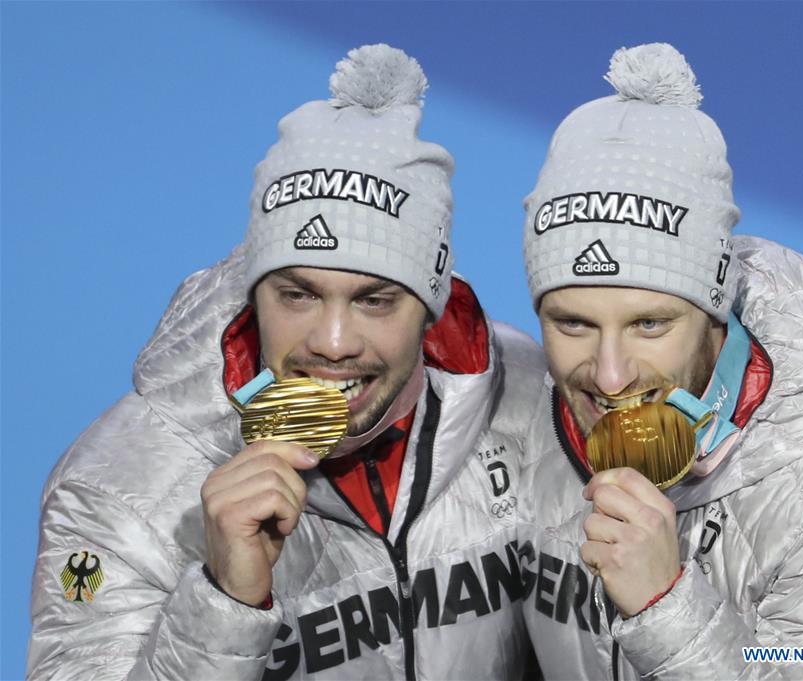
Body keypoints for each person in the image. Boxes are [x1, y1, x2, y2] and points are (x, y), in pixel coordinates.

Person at [28, 44, 544, 680]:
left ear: (431, 303)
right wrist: (225, 602)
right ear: (256, 292)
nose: (330, 342)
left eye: (374, 300)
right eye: (297, 294)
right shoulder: (120, 488)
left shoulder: (528, 393)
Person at [518, 43, 803, 680]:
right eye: (574, 323)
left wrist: (667, 607)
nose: (610, 375)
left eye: (649, 324)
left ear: (715, 311)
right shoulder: (519, 430)